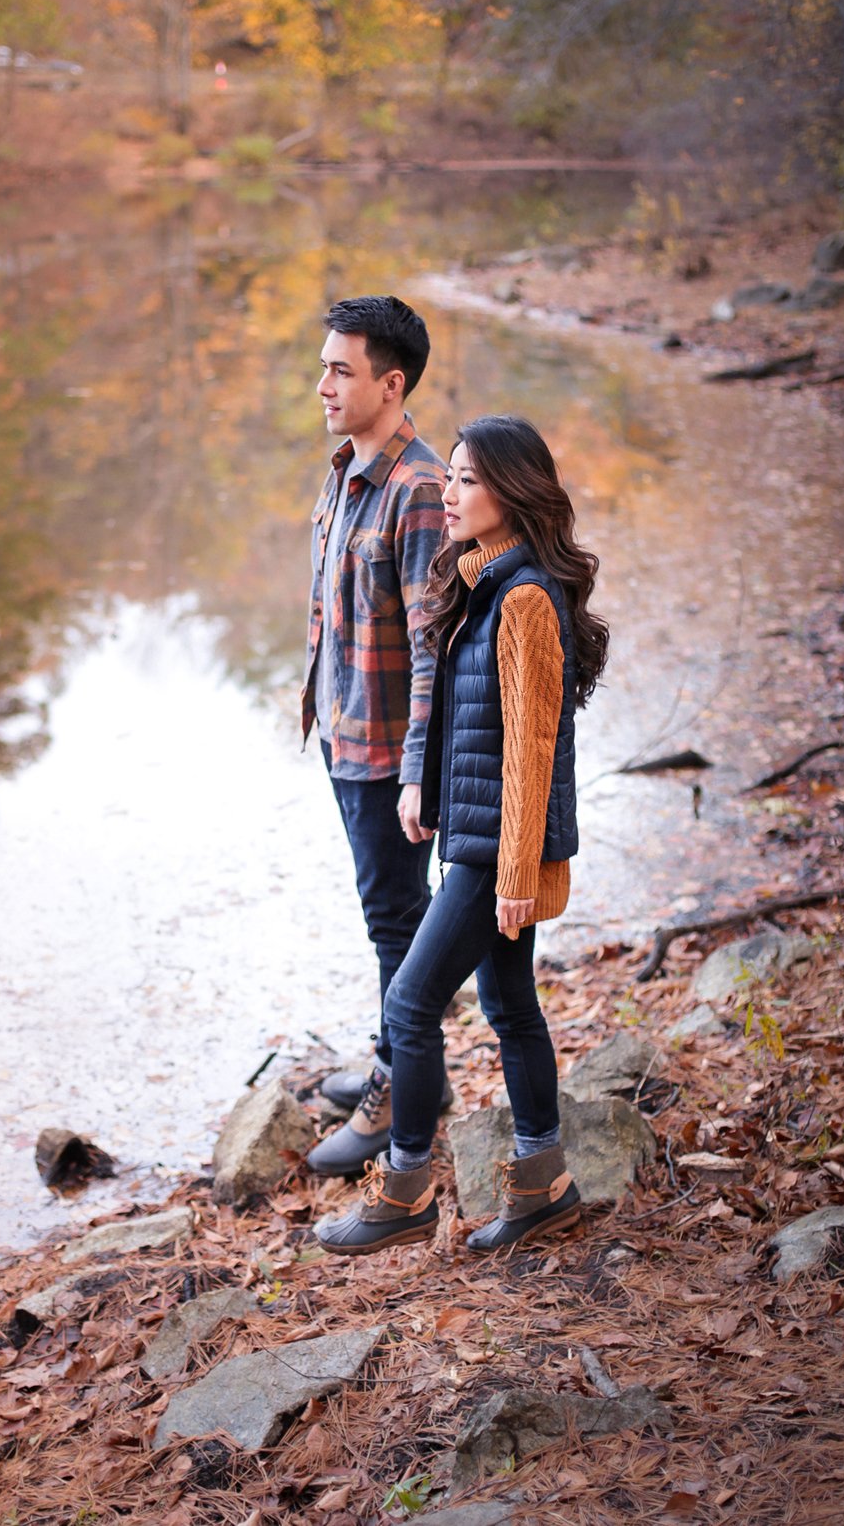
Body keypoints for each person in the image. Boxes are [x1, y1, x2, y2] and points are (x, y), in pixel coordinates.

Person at [314, 414, 609, 1253]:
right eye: (449, 477)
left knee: (409, 1005)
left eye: (467, 480)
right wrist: (428, 788)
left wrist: (515, 874)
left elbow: (531, 752)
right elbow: (475, 724)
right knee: (510, 1004)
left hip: (499, 855)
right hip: (478, 839)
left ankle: (404, 1193)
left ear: (513, 494)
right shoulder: (487, 583)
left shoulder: (523, 601)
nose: (449, 493)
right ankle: (543, 1183)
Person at [301, 295, 448, 1179]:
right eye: (323, 365)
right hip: (344, 731)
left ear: (390, 385)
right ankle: (404, 1059)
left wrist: (416, 774)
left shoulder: (420, 488)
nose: (322, 383)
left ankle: (402, 1091)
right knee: (385, 916)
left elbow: (431, 649)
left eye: (340, 369)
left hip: (392, 750)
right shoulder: (345, 468)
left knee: (398, 919)